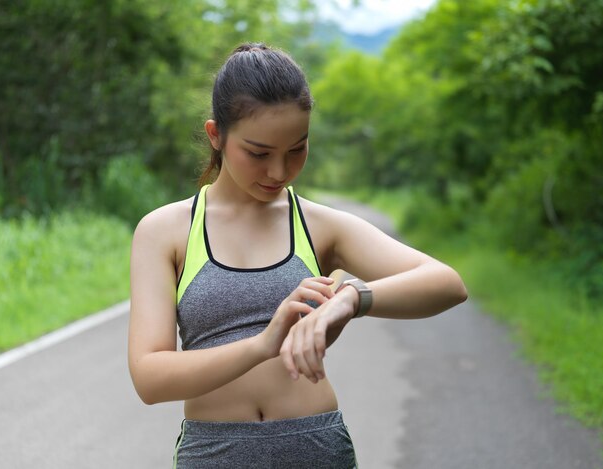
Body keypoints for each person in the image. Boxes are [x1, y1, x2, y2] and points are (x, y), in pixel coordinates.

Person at [128, 42, 468, 468]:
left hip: (315, 447)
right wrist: (263, 344)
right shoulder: (165, 231)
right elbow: (149, 377)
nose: (278, 171)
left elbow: (447, 284)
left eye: (297, 149)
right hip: (213, 453)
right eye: (258, 153)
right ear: (216, 135)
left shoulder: (319, 225)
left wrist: (351, 299)